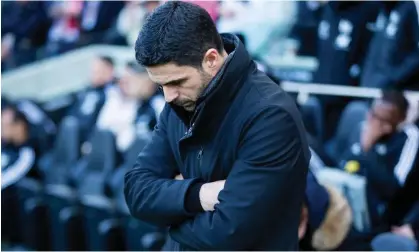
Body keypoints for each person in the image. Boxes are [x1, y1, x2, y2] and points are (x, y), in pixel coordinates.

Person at [124, 1, 310, 250]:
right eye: (161, 85)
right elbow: (137, 192)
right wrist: (200, 195)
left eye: (177, 81)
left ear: (211, 59)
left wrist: (170, 218)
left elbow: (227, 233)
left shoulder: (271, 115)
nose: (168, 96)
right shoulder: (180, 101)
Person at [337, 91, 419, 236]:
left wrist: (368, 151)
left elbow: (393, 189)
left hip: (388, 216)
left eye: (382, 120)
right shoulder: (363, 126)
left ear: (399, 120)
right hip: (352, 205)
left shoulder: (410, 138)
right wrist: (363, 149)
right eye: (373, 114)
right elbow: (343, 166)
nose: (372, 121)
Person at [360, 1, 419, 90]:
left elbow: (415, 56)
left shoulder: (408, 9)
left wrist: (394, 77)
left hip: (393, 92)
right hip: (366, 89)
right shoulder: (373, 8)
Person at [66, 55, 116, 142]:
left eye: (98, 71)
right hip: (74, 136)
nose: (93, 75)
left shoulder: (112, 93)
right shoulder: (86, 91)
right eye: (93, 71)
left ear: (109, 71)